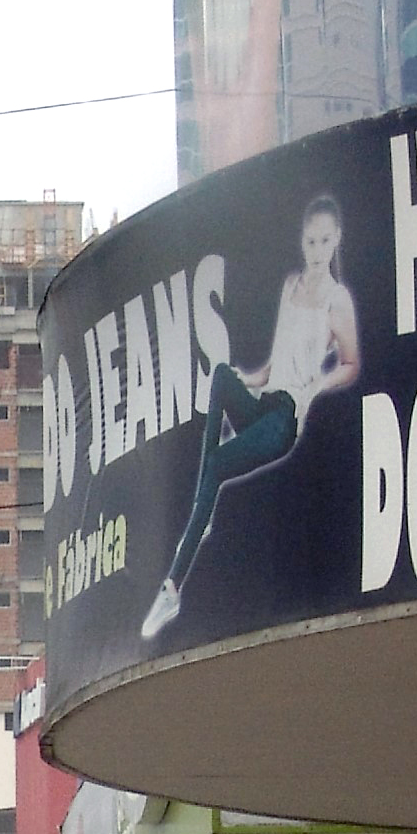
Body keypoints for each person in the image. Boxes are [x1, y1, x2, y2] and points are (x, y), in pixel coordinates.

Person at [136, 193, 363, 642]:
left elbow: (351, 361)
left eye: (324, 241)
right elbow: (276, 362)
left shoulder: (337, 300)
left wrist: (315, 387)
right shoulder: (291, 286)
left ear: (336, 241)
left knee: (217, 466)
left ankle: (172, 586)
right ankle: (202, 516)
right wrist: (251, 379)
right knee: (222, 375)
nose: (316, 250)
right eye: (310, 241)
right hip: (264, 402)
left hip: (283, 422)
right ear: (302, 241)